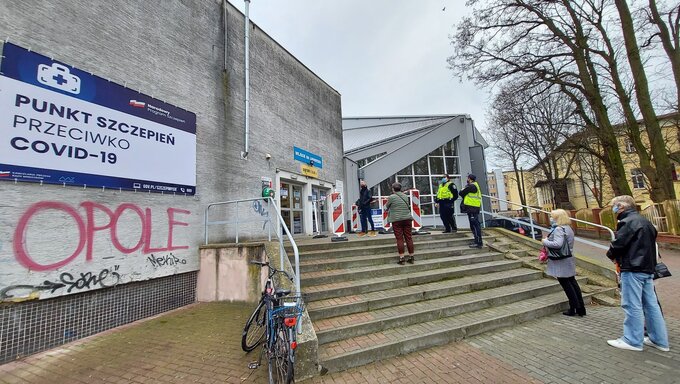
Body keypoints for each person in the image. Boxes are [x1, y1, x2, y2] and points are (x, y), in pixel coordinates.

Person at [606, 195, 669, 352]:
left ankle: (632, 340)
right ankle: (659, 340)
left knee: (632, 304)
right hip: (647, 268)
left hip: (632, 268)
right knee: (651, 305)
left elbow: (618, 245)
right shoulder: (646, 222)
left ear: (621, 207)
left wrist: (611, 254)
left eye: (614, 206)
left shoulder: (627, 222)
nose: (613, 209)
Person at [542, 209, 585, 317]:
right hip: (568, 257)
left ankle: (574, 308)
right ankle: (581, 308)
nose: (550, 219)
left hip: (561, 260)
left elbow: (557, 244)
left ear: (558, 218)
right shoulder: (568, 228)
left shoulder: (559, 229)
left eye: (552, 217)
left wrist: (545, 241)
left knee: (566, 284)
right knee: (572, 282)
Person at [385, 182, 415, 265]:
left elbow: (386, 207)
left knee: (399, 239)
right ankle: (411, 257)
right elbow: (407, 206)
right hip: (407, 219)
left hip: (397, 220)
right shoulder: (405, 196)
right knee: (409, 238)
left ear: (393, 189)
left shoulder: (391, 197)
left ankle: (402, 259)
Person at [459, 174, 483, 248]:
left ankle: (478, 242)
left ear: (470, 179)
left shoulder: (472, 186)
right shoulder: (474, 185)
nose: (467, 179)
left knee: (475, 226)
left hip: (472, 208)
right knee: (474, 225)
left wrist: (463, 189)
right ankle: (477, 241)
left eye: (468, 178)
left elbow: (461, 193)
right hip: (473, 207)